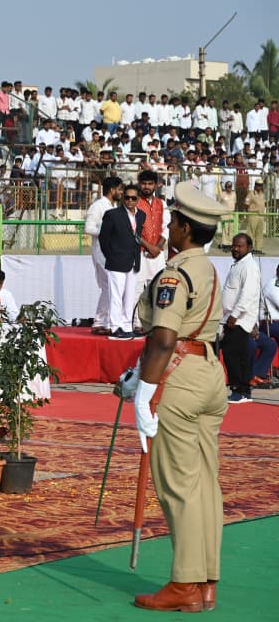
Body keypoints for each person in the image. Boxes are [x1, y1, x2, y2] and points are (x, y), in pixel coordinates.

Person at [131, 180, 228, 613]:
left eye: (172, 221)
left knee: (179, 485)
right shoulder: (208, 268)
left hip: (181, 374)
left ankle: (185, 583)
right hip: (209, 371)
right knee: (205, 482)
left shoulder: (175, 272)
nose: (168, 227)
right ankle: (205, 582)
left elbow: (165, 337)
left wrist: (143, 391)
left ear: (186, 229)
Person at [99, 184, 145, 340]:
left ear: (138, 199)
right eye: (127, 197)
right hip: (116, 261)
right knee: (116, 296)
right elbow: (103, 239)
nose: (130, 201)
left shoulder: (141, 215)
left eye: (133, 198)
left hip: (134, 261)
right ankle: (115, 326)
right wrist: (111, 256)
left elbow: (137, 237)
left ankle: (126, 326)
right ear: (123, 198)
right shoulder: (112, 215)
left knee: (130, 297)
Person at [219, 234, 259, 404]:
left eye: (239, 246)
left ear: (249, 247)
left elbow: (248, 294)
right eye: (234, 245)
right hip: (231, 317)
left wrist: (235, 314)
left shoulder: (249, 266)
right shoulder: (240, 264)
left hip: (239, 319)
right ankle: (243, 391)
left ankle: (239, 390)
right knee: (236, 354)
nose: (235, 248)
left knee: (233, 354)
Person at [85, 176, 123, 335]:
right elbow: (88, 228)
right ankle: (102, 322)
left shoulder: (113, 206)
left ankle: (101, 321)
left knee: (109, 287)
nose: (121, 192)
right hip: (101, 251)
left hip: (111, 252)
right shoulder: (98, 206)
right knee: (110, 287)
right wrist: (108, 233)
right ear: (112, 190)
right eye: (119, 189)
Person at [136, 170, 168, 293]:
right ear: (139, 184)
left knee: (157, 291)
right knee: (137, 292)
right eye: (144, 183)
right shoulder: (134, 203)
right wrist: (150, 248)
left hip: (157, 255)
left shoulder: (161, 203)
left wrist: (157, 248)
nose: (147, 187)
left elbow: (166, 227)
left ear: (156, 185)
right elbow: (132, 230)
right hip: (139, 253)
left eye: (150, 184)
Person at [244, 180, 266, 252]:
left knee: (260, 233)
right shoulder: (251, 193)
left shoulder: (263, 194)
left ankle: (258, 249)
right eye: (258, 185)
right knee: (251, 232)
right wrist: (248, 213)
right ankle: (250, 248)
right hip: (253, 214)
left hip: (261, 215)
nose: (259, 187)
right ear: (255, 185)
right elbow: (246, 204)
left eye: (261, 185)